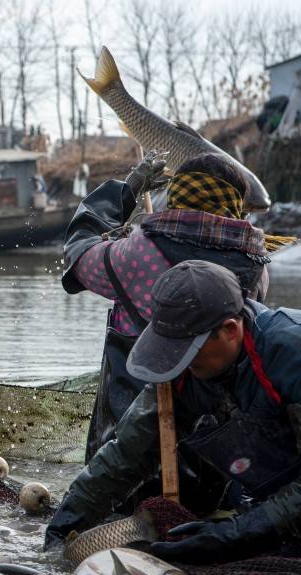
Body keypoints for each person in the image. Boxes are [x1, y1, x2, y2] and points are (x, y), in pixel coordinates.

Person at [45, 261, 301, 565]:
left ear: (230, 330)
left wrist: (235, 534)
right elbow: (127, 453)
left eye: (188, 352)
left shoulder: (290, 351)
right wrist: (66, 523)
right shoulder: (182, 372)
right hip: (265, 495)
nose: (179, 362)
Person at [62, 152, 272, 462]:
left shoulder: (134, 254)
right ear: (236, 204)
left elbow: (78, 253)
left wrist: (127, 190)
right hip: (220, 457)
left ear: (175, 196)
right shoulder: (257, 266)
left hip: (124, 452)